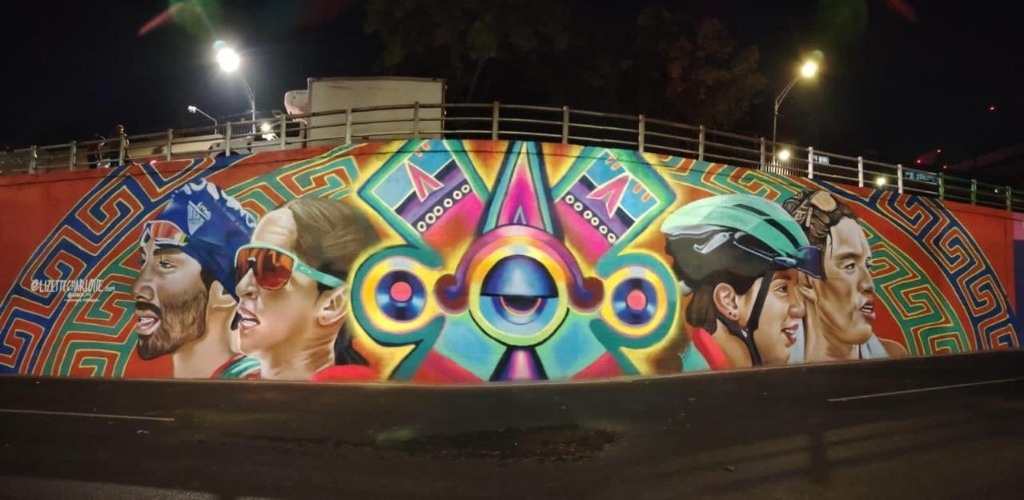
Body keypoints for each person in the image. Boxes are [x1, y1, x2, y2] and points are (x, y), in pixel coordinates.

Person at [660, 194, 823, 369]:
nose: (800, 309)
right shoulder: (692, 378)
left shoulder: (723, 373)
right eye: (782, 288)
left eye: (798, 287)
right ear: (729, 301)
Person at [234, 196, 381, 381]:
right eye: (247, 262)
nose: (242, 287)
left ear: (333, 304)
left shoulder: (354, 395)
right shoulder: (233, 381)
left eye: (270, 266)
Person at [131, 179, 261, 379]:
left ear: (224, 292)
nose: (138, 288)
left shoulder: (252, 388)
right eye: (143, 261)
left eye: (165, 264)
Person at [780, 189, 909, 361]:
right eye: (850, 266)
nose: (869, 284)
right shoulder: (772, 362)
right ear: (807, 281)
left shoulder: (893, 357)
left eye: (868, 265)